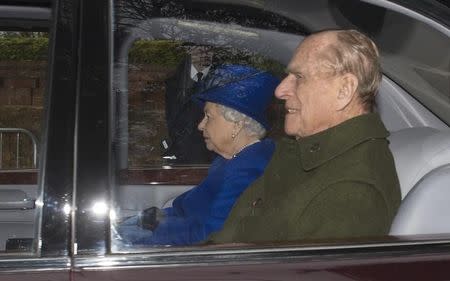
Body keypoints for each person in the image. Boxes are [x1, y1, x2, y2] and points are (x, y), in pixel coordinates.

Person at [207, 29, 401, 244]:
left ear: (344, 90)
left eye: (299, 77)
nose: (280, 90)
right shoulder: (303, 154)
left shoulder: (352, 190)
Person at [116, 64, 280, 246]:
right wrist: (144, 220)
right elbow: (183, 207)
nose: (200, 125)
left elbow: (209, 235)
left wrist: (135, 239)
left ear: (237, 124)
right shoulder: (228, 161)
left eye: (208, 117)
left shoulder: (249, 171)